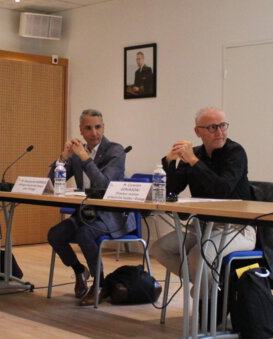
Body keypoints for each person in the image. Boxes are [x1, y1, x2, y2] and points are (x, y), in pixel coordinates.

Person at [150, 107, 256, 290]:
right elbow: (173, 189)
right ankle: (210, 292)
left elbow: (222, 189)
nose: (220, 132)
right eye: (212, 127)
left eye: (223, 126)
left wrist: (194, 162)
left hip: (236, 228)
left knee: (199, 255)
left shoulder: (235, 152)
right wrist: (169, 161)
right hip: (201, 226)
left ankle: (205, 296)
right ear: (197, 132)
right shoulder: (195, 154)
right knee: (159, 248)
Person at [47, 109, 136, 305]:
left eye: (98, 127)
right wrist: (63, 158)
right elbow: (51, 182)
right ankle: (79, 270)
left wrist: (85, 159)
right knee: (55, 234)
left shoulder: (115, 151)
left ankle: (100, 284)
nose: (94, 132)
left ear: (103, 128)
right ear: (81, 130)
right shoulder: (77, 153)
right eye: (88, 128)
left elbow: (103, 186)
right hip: (86, 214)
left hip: (112, 215)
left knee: (85, 233)